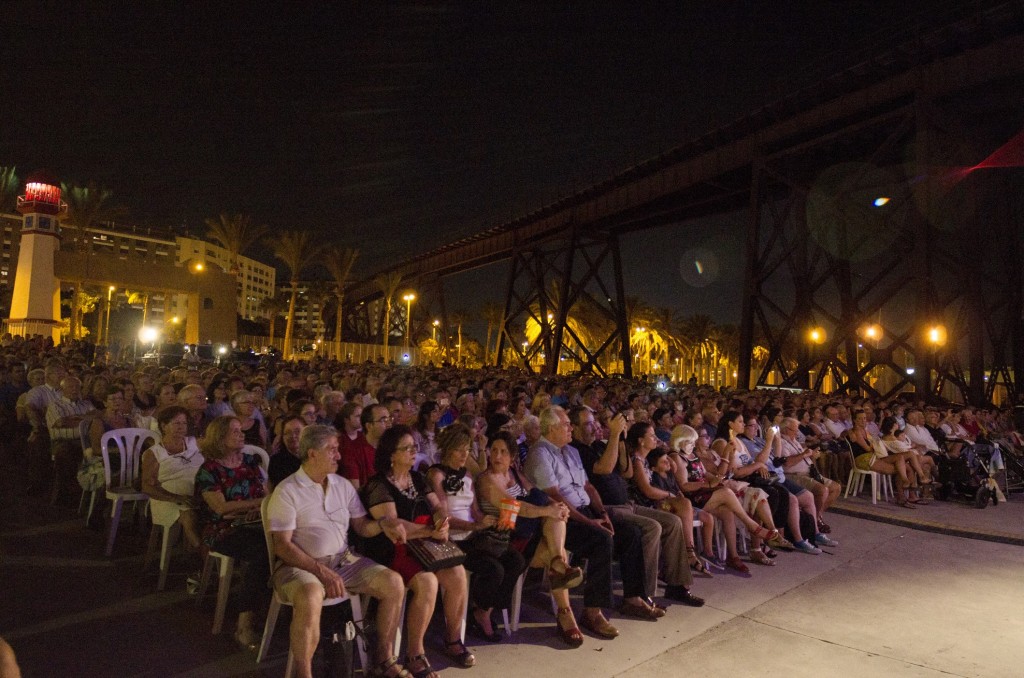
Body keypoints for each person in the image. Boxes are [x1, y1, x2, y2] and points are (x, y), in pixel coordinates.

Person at [267, 425, 410, 678]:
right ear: (312, 453)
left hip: (344, 560)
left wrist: (383, 525)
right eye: (332, 450)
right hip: (299, 565)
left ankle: (383, 659)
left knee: (394, 583)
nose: (339, 456)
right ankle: (304, 674)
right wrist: (320, 570)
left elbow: (361, 527)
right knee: (311, 594)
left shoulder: (341, 485)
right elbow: (283, 546)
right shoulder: (287, 490)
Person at [525, 406, 645, 640]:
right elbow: (556, 497)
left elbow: (588, 486)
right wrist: (590, 522)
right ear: (551, 429)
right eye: (566, 424)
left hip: (585, 510)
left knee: (630, 533)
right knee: (601, 540)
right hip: (559, 520)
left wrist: (602, 513)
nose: (571, 428)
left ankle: (633, 597)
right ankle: (593, 611)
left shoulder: (570, 451)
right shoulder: (540, 453)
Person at [361, 425, 473, 676]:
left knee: (457, 574)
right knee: (428, 582)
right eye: (407, 448)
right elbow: (394, 526)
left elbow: (438, 506)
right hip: (394, 548)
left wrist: (442, 523)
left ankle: (453, 639)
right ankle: (415, 652)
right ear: (391, 454)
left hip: (425, 545)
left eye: (415, 447)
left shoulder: (418, 478)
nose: (414, 452)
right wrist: (428, 532)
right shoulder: (378, 485)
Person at [476, 430, 585, 647]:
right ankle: (564, 605)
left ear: (512, 457)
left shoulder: (515, 474)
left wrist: (556, 507)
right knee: (555, 537)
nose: (497, 456)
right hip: (508, 540)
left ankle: (558, 565)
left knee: (554, 525)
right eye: (494, 451)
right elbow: (515, 509)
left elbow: (538, 495)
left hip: (531, 536)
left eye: (503, 452)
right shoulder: (486, 481)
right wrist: (548, 511)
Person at [427, 423, 526, 643]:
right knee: (494, 568)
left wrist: (491, 521)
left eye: (467, 449)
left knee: (516, 560)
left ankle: (485, 611)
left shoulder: (468, 477)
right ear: (447, 449)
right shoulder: (436, 474)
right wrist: (476, 526)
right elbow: (443, 518)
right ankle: (480, 614)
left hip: (474, 536)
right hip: (452, 539)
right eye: (459, 449)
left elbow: (476, 512)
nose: (465, 455)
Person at [194, 415, 269, 648]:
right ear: (220, 438)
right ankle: (244, 624)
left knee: (288, 542)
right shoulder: (209, 470)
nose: (242, 434)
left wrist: (257, 508)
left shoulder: (249, 461)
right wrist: (255, 504)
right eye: (235, 431)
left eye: (240, 430)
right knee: (262, 552)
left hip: (253, 521)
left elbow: (267, 494)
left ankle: (276, 607)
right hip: (221, 529)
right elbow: (220, 508)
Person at [669, 425, 787, 570]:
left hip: (705, 493)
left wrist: (719, 474)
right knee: (727, 493)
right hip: (692, 498)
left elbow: (712, 476)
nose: (693, 445)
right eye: (690, 442)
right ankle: (753, 526)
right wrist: (706, 484)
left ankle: (733, 556)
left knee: (728, 512)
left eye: (694, 442)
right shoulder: (677, 457)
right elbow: (684, 485)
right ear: (679, 441)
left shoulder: (693, 456)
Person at [141, 405, 204, 555]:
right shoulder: (155, 453)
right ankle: (204, 556)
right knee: (188, 514)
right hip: (168, 498)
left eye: (184, 423)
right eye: (176, 423)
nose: (181, 427)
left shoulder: (195, 443)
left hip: (198, 493)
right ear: (164, 426)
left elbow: (216, 448)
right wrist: (176, 498)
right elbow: (147, 486)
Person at [777, 417, 842, 533]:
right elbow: (787, 463)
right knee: (822, 490)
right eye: (794, 430)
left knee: (835, 488)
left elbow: (804, 456)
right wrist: (804, 454)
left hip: (809, 472)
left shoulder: (794, 441)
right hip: (794, 475)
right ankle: (815, 521)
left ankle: (817, 516)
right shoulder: (781, 442)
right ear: (786, 429)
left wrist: (812, 456)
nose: (797, 432)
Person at [339, 404, 391, 489]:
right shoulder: (352, 450)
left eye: (389, 419)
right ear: (369, 426)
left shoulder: (392, 447)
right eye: (383, 420)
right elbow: (355, 491)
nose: (389, 424)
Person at [268, 415, 306, 488]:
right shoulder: (276, 461)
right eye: (287, 432)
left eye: (297, 431)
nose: (293, 436)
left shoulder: (314, 458)